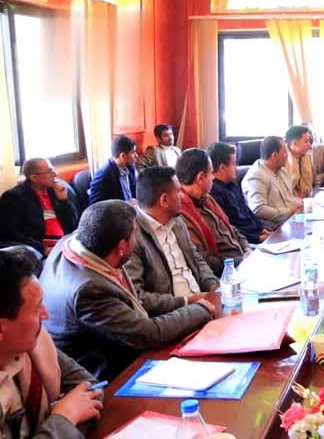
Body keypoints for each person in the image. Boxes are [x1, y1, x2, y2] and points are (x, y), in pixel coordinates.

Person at [40, 200, 215, 380]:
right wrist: (201, 309)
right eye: (135, 235)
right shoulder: (90, 290)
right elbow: (149, 334)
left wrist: (186, 302)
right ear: (122, 247)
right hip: (109, 375)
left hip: (120, 345)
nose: (137, 240)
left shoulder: (75, 243)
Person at [0, 251, 104, 439]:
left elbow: (91, 388)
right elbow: (72, 410)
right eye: (36, 309)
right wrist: (65, 418)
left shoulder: (32, 342)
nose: (45, 314)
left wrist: (63, 422)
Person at [124, 166, 220, 298]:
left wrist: (212, 286)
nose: (182, 196)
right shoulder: (131, 237)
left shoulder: (176, 221)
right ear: (164, 200)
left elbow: (196, 258)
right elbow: (138, 296)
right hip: (179, 309)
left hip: (203, 300)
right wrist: (188, 301)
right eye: (178, 191)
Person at [176, 149, 250, 275]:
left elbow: (232, 229)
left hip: (243, 258)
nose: (213, 177)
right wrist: (241, 261)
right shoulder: (181, 214)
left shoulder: (207, 198)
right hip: (225, 272)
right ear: (200, 178)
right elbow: (206, 260)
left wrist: (247, 248)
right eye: (211, 173)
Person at [0, 158, 78, 255]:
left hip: (66, 243)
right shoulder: (13, 197)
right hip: (39, 249)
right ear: (34, 178)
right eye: (50, 171)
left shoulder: (55, 190)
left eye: (53, 169)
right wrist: (42, 249)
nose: (55, 174)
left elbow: (73, 223)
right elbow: (13, 234)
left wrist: (63, 200)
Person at [207, 142, 270, 244]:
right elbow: (230, 228)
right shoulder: (214, 193)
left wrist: (262, 229)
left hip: (258, 234)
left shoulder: (233, 183)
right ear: (222, 168)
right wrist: (258, 238)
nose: (236, 167)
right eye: (234, 164)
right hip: (245, 242)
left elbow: (247, 210)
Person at [242, 136, 303, 231]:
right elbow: (258, 209)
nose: (288, 155)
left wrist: (305, 203)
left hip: (290, 223)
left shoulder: (282, 170)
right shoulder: (256, 176)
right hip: (273, 229)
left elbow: (289, 198)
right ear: (274, 155)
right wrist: (289, 211)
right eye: (285, 152)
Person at [88, 135, 138, 204]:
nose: (136, 155)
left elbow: (135, 191)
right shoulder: (103, 175)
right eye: (133, 152)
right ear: (123, 156)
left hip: (132, 207)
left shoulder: (131, 167)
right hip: (116, 210)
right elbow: (95, 206)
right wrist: (126, 204)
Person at [284, 125, 314, 198]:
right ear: (294, 143)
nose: (310, 146)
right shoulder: (282, 160)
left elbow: (310, 185)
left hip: (307, 200)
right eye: (306, 141)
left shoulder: (305, 156)